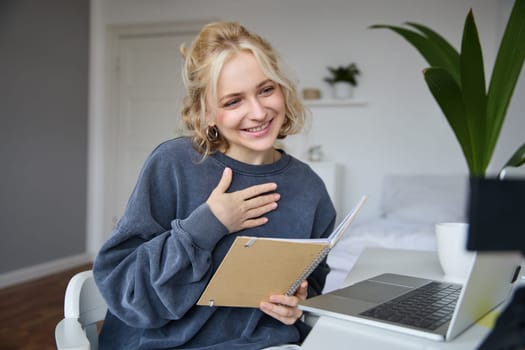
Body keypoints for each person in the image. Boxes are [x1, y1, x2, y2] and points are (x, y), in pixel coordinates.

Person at [93, 21, 337, 350]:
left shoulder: (309, 187)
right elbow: (126, 291)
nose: (258, 111)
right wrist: (207, 225)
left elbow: (313, 282)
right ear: (205, 113)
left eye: (266, 90)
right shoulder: (174, 164)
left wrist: (298, 302)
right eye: (233, 101)